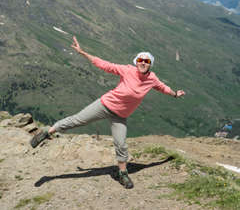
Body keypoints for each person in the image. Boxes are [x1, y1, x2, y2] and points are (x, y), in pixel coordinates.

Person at [30, 36, 185, 189]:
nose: (143, 63)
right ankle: (47, 132)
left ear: (150, 64)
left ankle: (122, 174)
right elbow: (105, 65)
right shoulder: (127, 70)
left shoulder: (152, 78)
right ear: (136, 62)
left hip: (120, 116)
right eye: (140, 60)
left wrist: (175, 94)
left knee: (121, 144)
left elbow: (162, 87)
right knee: (77, 120)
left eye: (146, 61)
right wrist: (82, 52)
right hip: (105, 105)